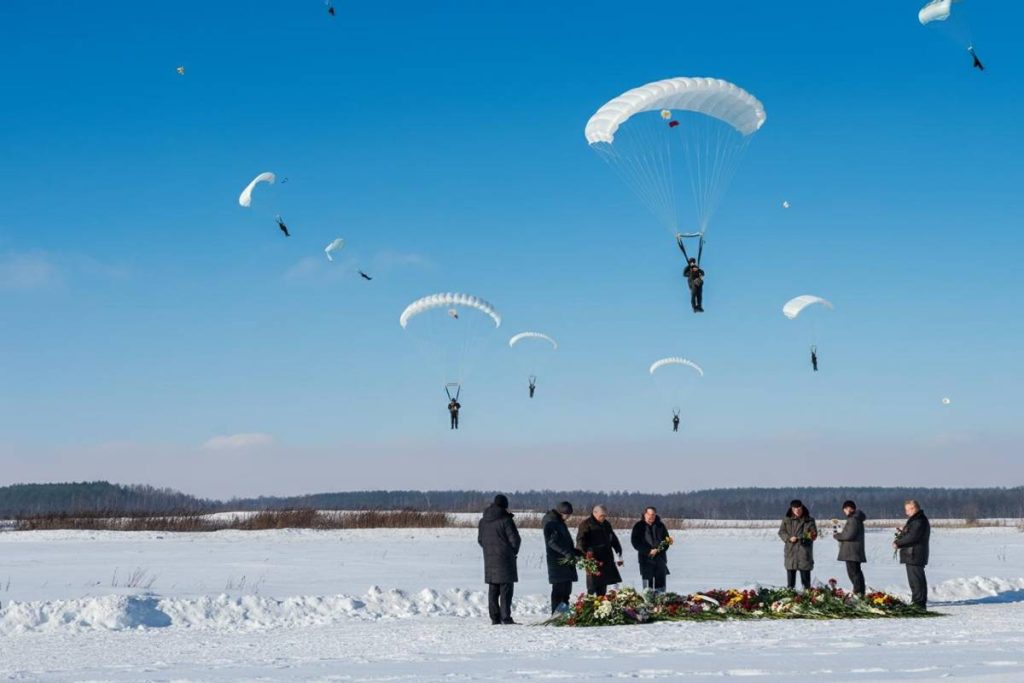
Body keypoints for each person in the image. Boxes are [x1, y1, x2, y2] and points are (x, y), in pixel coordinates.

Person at [477, 494, 521, 625]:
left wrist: (489, 551)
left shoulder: (483, 521)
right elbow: (515, 540)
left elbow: (480, 540)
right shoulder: (506, 520)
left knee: (493, 589)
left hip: (489, 559)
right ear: (504, 506)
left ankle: (494, 618)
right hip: (505, 559)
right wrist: (512, 552)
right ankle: (505, 617)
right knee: (506, 589)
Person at [575, 505, 623, 596]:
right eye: (601, 516)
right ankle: (591, 601)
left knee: (603, 584)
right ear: (595, 513)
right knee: (592, 585)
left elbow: (613, 538)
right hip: (593, 559)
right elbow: (580, 541)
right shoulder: (586, 524)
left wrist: (618, 551)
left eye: (605, 515)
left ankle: (601, 601)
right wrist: (584, 555)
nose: (603, 518)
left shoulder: (606, 524)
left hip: (606, 558)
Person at [542, 501, 580, 614]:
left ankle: (564, 615)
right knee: (559, 590)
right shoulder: (551, 522)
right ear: (561, 512)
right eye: (567, 514)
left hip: (566, 561)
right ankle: (556, 614)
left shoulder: (559, 522)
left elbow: (564, 541)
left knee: (566, 591)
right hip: (557, 562)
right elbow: (552, 542)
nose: (568, 517)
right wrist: (566, 552)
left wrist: (575, 552)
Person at [894, 499, 931, 609]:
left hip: (915, 554)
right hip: (912, 554)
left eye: (907, 510)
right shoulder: (916, 520)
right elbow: (912, 534)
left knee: (917, 580)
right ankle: (916, 600)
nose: (906, 513)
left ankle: (919, 603)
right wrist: (903, 532)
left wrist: (898, 542)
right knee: (914, 580)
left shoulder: (919, 520)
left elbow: (913, 536)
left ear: (913, 508)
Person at [778, 499, 817, 590]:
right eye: (795, 509)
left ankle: (807, 596)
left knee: (806, 584)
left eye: (799, 509)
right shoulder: (786, 520)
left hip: (804, 553)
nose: (797, 511)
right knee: (790, 585)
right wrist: (788, 538)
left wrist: (800, 537)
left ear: (802, 508)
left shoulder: (809, 520)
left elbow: (813, 534)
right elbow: (781, 532)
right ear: (792, 509)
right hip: (790, 553)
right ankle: (790, 596)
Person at [630, 507, 671, 592]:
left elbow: (667, 541)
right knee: (647, 587)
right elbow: (635, 543)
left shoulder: (661, 526)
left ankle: (660, 599)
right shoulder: (638, 526)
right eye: (649, 514)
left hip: (660, 558)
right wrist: (648, 551)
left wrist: (658, 550)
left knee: (661, 584)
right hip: (645, 559)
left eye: (653, 515)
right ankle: (648, 599)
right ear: (645, 514)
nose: (651, 516)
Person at [833, 500, 866, 597]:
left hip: (851, 552)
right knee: (856, 572)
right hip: (854, 551)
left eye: (845, 510)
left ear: (848, 508)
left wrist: (837, 536)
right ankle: (860, 592)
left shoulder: (853, 519)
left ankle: (858, 592)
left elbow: (849, 535)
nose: (844, 512)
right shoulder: (856, 518)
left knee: (853, 573)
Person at [676, 234, 705, 313]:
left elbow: (703, 273)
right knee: (694, 295)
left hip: (698, 283)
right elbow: (684, 274)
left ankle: (699, 306)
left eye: (693, 262)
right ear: (689, 262)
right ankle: (694, 307)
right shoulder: (688, 268)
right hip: (692, 283)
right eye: (691, 262)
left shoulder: (697, 268)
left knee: (699, 295)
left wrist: (698, 270)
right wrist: (690, 271)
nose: (693, 263)